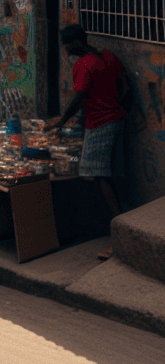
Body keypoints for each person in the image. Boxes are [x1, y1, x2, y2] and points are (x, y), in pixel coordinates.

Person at [46, 23, 130, 259]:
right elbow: (123, 88)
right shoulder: (107, 56)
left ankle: (117, 235)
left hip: (101, 124)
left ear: (72, 45)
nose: (65, 50)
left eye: (65, 46)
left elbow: (78, 98)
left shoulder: (84, 65)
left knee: (99, 174)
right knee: (107, 174)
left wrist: (61, 121)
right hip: (118, 120)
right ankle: (114, 225)